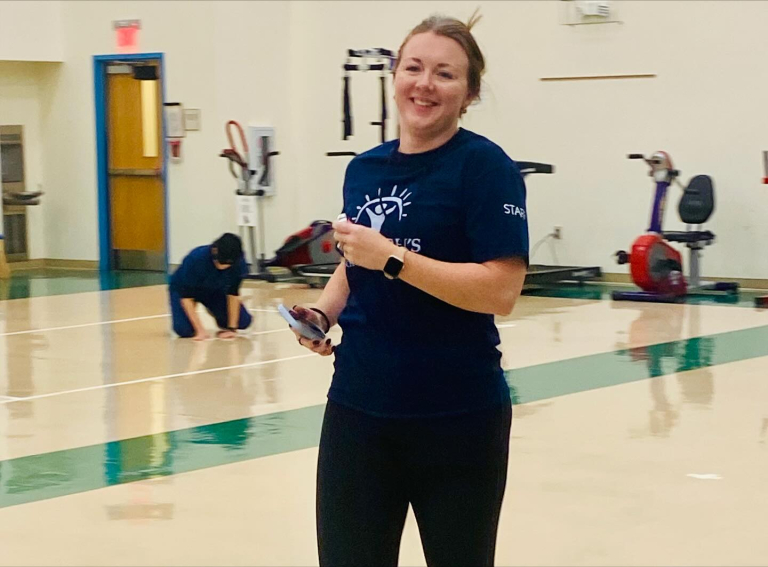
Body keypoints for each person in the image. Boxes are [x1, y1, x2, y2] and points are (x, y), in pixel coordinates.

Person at [290, 11, 529, 567]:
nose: (424, 84)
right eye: (413, 67)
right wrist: (323, 314)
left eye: (444, 74)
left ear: (468, 93)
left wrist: (394, 259)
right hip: (358, 411)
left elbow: (502, 290)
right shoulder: (365, 169)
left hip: (457, 416)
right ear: (394, 75)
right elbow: (355, 259)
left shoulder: (485, 167)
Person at [169, 232, 252, 340]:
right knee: (184, 330)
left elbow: (233, 294)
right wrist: (200, 330)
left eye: (228, 265)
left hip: (214, 290)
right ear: (215, 251)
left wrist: (232, 329)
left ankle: (215, 311)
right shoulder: (195, 259)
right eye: (220, 262)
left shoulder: (239, 263)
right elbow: (186, 298)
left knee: (243, 321)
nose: (223, 267)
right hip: (184, 289)